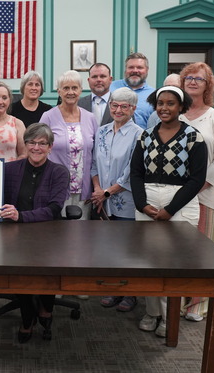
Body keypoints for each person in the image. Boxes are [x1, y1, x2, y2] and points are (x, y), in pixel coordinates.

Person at [130, 86, 207, 337]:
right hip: (148, 201)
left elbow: (197, 180)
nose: (164, 108)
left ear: (181, 107)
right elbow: (136, 173)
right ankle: (153, 312)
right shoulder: (145, 136)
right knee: (149, 263)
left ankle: (169, 316)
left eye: (171, 103)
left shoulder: (194, 137)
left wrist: (170, 210)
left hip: (180, 202)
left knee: (174, 265)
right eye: (160, 103)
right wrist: (142, 204)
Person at [0, 123, 70, 343]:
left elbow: (54, 209)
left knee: (47, 274)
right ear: (25, 144)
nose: (36, 147)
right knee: (22, 277)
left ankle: (46, 308)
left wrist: (21, 216)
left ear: (50, 147)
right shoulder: (10, 169)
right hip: (15, 235)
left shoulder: (59, 172)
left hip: (48, 236)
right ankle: (27, 318)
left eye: (42, 143)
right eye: (31, 142)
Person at [178, 62, 214, 322]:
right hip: (175, 196)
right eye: (188, 77)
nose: (192, 82)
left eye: (199, 78)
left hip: (205, 195)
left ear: (207, 85)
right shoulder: (175, 114)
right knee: (176, 251)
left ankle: (197, 306)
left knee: (202, 252)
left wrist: (197, 185)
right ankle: (175, 301)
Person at [90, 87, 143, 312]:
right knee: (108, 248)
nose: (118, 110)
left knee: (128, 250)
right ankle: (113, 289)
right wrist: (97, 189)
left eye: (124, 106)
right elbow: (94, 164)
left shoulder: (139, 134)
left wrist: (108, 192)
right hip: (101, 199)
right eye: (114, 105)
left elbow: (132, 171)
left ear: (133, 109)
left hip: (125, 203)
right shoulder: (101, 131)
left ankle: (130, 294)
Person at [40, 70, 99, 220]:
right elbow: (39, 150)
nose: (70, 92)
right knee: (57, 232)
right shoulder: (48, 116)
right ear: (59, 91)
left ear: (81, 90)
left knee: (81, 232)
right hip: (55, 186)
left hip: (83, 189)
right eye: (66, 88)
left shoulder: (90, 118)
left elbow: (96, 155)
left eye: (74, 88)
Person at [109, 52, 155, 129]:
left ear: (147, 70)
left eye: (139, 67)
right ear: (125, 69)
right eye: (131, 67)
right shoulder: (111, 87)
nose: (135, 71)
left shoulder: (154, 95)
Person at [0, 81, 27, 161]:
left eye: (4, 98)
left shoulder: (17, 124)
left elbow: (24, 154)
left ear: (9, 100)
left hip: (12, 171)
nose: (0, 102)